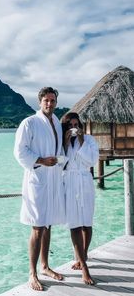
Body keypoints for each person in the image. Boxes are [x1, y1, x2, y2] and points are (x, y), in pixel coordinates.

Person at [14, 87, 66, 291]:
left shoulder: (56, 122)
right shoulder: (30, 123)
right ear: (40, 102)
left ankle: (45, 266)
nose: (50, 104)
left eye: (53, 101)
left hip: (53, 178)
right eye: (46, 100)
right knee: (37, 226)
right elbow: (19, 151)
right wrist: (41, 160)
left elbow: (59, 148)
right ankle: (32, 273)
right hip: (37, 178)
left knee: (49, 223)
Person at [61, 112, 99, 285]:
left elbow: (92, 161)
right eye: (70, 125)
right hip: (70, 183)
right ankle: (84, 265)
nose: (74, 128)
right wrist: (66, 142)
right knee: (74, 224)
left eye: (76, 125)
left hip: (85, 182)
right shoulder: (62, 142)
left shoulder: (89, 140)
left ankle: (82, 255)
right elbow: (61, 164)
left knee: (86, 223)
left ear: (81, 126)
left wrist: (82, 142)